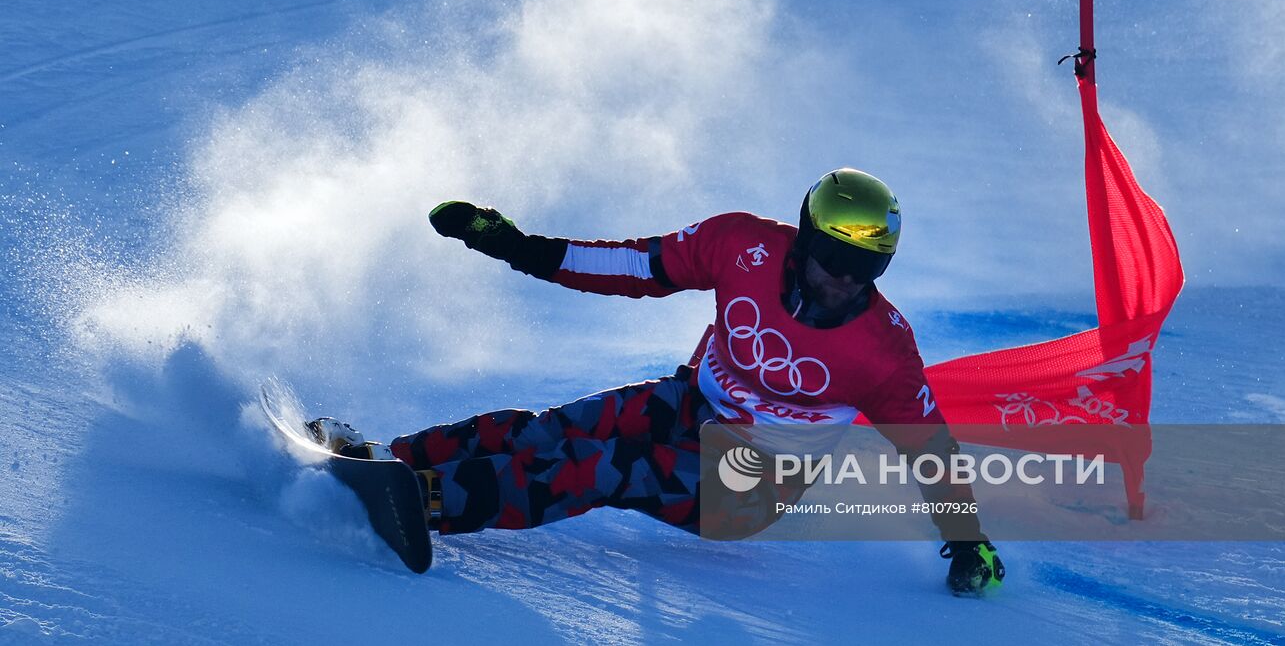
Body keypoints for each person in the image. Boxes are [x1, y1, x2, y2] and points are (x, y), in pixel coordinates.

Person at [314, 168, 1006, 595]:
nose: (843, 280)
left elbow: (930, 450)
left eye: (868, 267)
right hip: (693, 398)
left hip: (749, 481)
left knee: (604, 467)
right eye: (832, 256)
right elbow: (635, 267)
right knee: (551, 428)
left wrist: (969, 540)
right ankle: (386, 459)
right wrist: (519, 247)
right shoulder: (743, 246)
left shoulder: (883, 349)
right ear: (804, 236)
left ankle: (426, 502)